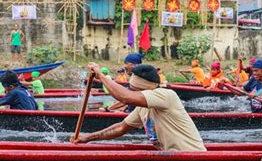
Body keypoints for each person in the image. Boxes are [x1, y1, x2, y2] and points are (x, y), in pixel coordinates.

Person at [72, 63, 206, 151]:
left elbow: (125, 97)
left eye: (133, 89)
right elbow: (121, 127)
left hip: (194, 156)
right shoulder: (143, 107)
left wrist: (101, 75)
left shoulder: (165, 95)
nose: (131, 92)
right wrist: (87, 138)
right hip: (172, 157)